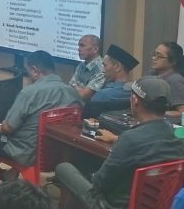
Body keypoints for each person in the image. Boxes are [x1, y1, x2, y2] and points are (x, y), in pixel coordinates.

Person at [0, 50, 80, 205]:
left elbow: (8, 127)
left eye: (28, 71)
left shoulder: (29, 92)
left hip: (24, 150)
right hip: (56, 155)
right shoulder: (72, 93)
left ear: (35, 70)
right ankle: (11, 175)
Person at [55, 76, 184, 209]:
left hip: (111, 205)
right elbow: (151, 143)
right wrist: (118, 138)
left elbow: (99, 183)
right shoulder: (175, 134)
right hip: (157, 203)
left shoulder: (130, 139)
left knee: (64, 168)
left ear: (135, 101)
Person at [150, 41, 184, 116]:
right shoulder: (151, 74)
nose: (153, 58)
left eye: (159, 56)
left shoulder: (175, 80)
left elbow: (182, 112)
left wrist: (156, 114)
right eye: (154, 54)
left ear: (173, 61)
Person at [69, 35, 105, 101]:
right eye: (79, 46)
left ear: (95, 49)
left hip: (91, 106)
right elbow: (69, 89)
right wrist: (77, 87)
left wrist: (74, 85)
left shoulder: (102, 68)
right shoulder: (81, 65)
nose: (78, 49)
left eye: (82, 46)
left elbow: (83, 95)